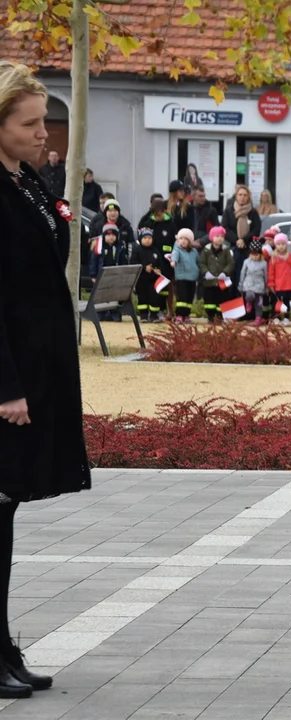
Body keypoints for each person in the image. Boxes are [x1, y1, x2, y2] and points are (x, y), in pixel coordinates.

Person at [0, 61, 91, 699]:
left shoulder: (28, 180)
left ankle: (2, 645)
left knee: (3, 516)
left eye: (44, 121)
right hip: (8, 378)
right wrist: (5, 385)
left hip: (37, 366)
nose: (43, 133)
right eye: (29, 124)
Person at [222, 184, 262, 288]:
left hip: (248, 248)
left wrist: (244, 240)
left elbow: (256, 229)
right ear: (236, 196)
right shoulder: (229, 211)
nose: (242, 197)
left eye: (245, 195)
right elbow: (225, 229)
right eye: (240, 195)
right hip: (232, 247)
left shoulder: (253, 212)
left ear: (248, 197)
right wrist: (237, 240)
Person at [199, 226, 234, 323]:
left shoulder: (226, 250)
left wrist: (225, 272)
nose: (220, 238)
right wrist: (206, 272)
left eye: (222, 236)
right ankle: (210, 316)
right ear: (212, 237)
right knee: (209, 301)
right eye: (217, 236)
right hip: (209, 283)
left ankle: (219, 317)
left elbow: (230, 263)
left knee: (222, 299)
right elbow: (202, 263)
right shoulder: (206, 250)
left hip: (222, 282)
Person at [132, 228, 166, 322]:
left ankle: (154, 315)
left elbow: (160, 263)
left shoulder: (155, 251)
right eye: (145, 238)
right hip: (141, 279)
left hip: (153, 280)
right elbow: (133, 263)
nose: (147, 240)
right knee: (142, 298)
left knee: (154, 297)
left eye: (149, 238)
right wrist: (144, 267)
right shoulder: (137, 250)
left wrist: (159, 270)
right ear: (140, 239)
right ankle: (143, 315)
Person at [267, 233, 291, 324]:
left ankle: (286, 318)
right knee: (276, 302)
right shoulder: (273, 258)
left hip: (287, 285)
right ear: (275, 245)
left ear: (286, 244)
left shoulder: (290, 257)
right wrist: (271, 283)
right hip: (276, 285)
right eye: (278, 244)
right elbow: (271, 272)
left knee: (286, 302)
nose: (281, 246)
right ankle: (276, 317)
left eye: (283, 244)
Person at [171, 228, 200, 323]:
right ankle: (179, 314)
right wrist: (173, 261)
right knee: (181, 297)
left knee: (189, 297)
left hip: (192, 278)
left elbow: (198, 262)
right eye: (181, 238)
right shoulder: (177, 250)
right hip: (181, 277)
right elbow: (174, 256)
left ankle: (187, 314)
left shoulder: (194, 251)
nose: (183, 241)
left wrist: (199, 271)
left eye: (186, 239)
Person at [239, 241, 268, 324]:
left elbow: (266, 275)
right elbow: (242, 272)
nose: (254, 257)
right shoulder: (246, 262)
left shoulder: (264, 263)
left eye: (256, 255)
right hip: (248, 285)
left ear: (260, 254)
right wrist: (241, 284)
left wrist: (266, 286)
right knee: (249, 295)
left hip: (259, 286)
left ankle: (258, 318)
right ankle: (249, 302)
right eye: (253, 254)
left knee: (259, 303)